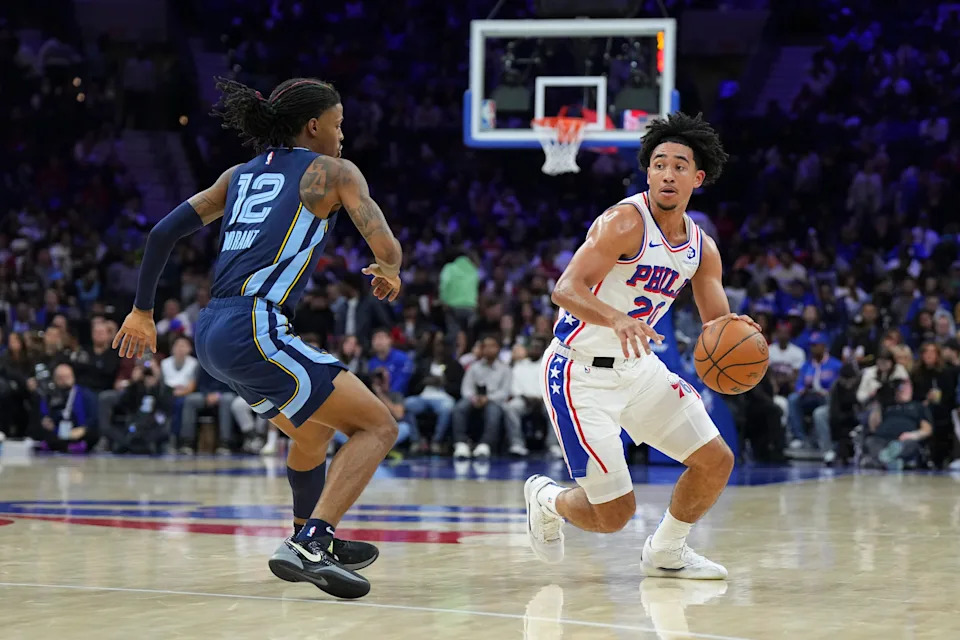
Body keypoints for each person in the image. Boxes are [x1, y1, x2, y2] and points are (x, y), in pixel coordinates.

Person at [112, 77, 403, 599]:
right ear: (313, 126)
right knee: (378, 426)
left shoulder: (238, 175)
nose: (343, 136)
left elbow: (161, 234)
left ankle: (302, 532)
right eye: (338, 125)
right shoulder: (333, 172)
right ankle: (312, 542)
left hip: (211, 332)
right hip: (255, 323)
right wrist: (389, 269)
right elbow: (383, 241)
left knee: (312, 435)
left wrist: (141, 311)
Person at [524, 113, 759, 579]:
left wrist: (738, 333)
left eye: (678, 165)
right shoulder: (622, 222)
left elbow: (717, 324)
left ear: (698, 177)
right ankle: (546, 498)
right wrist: (615, 318)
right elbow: (565, 289)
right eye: (658, 164)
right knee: (614, 516)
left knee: (715, 461)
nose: (667, 173)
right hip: (578, 373)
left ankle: (667, 551)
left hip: (639, 369)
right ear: (647, 172)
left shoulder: (700, 248)